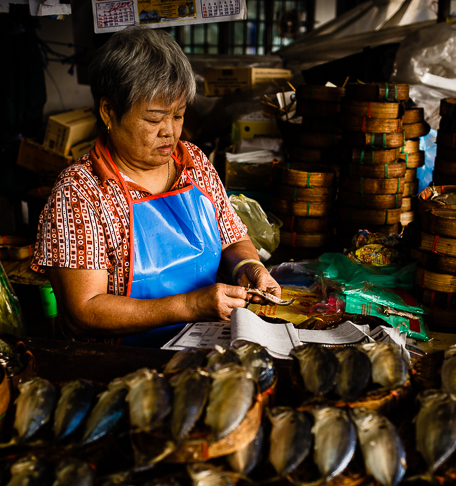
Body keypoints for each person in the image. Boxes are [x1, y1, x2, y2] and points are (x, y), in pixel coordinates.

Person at [32, 26, 281, 346]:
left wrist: (249, 267)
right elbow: (84, 312)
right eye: (154, 119)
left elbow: (232, 239)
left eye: (178, 115)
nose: (170, 132)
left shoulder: (194, 164)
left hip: (204, 347)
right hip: (121, 367)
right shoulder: (80, 192)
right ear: (109, 111)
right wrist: (191, 306)